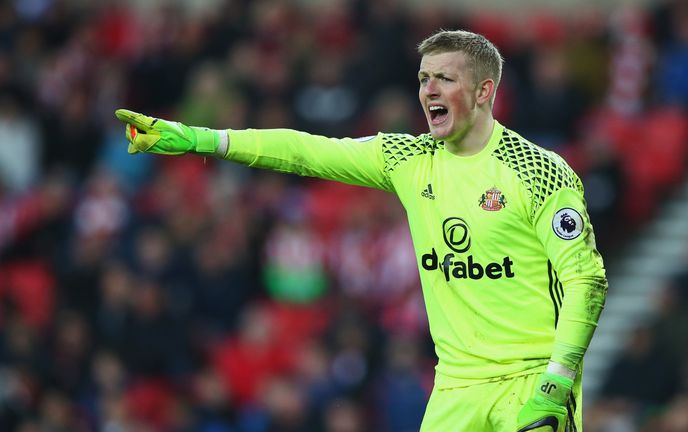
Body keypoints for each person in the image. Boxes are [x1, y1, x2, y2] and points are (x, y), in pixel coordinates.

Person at [115, 30, 608, 432]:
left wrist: (556, 382)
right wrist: (202, 138)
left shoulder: (537, 171)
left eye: (445, 79)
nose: (429, 91)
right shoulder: (409, 159)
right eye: (424, 79)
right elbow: (305, 151)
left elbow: (587, 280)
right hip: (456, 386)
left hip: (531, 379)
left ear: (484, 91)